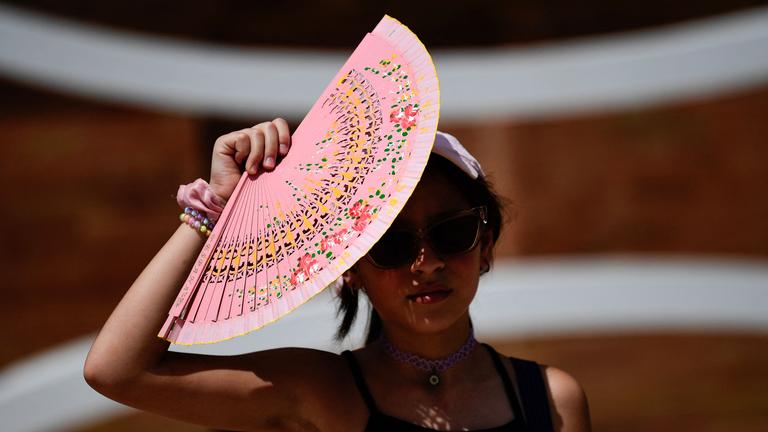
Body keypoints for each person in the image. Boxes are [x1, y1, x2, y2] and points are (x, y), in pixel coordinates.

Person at [84, 118, 591, 431]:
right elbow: (117, 371)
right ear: (348, 271)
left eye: (452, 232)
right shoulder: (320, 391)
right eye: (391, 245)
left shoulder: (552, 399)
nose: (428, 262)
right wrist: (214, 209)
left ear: (484, 246)